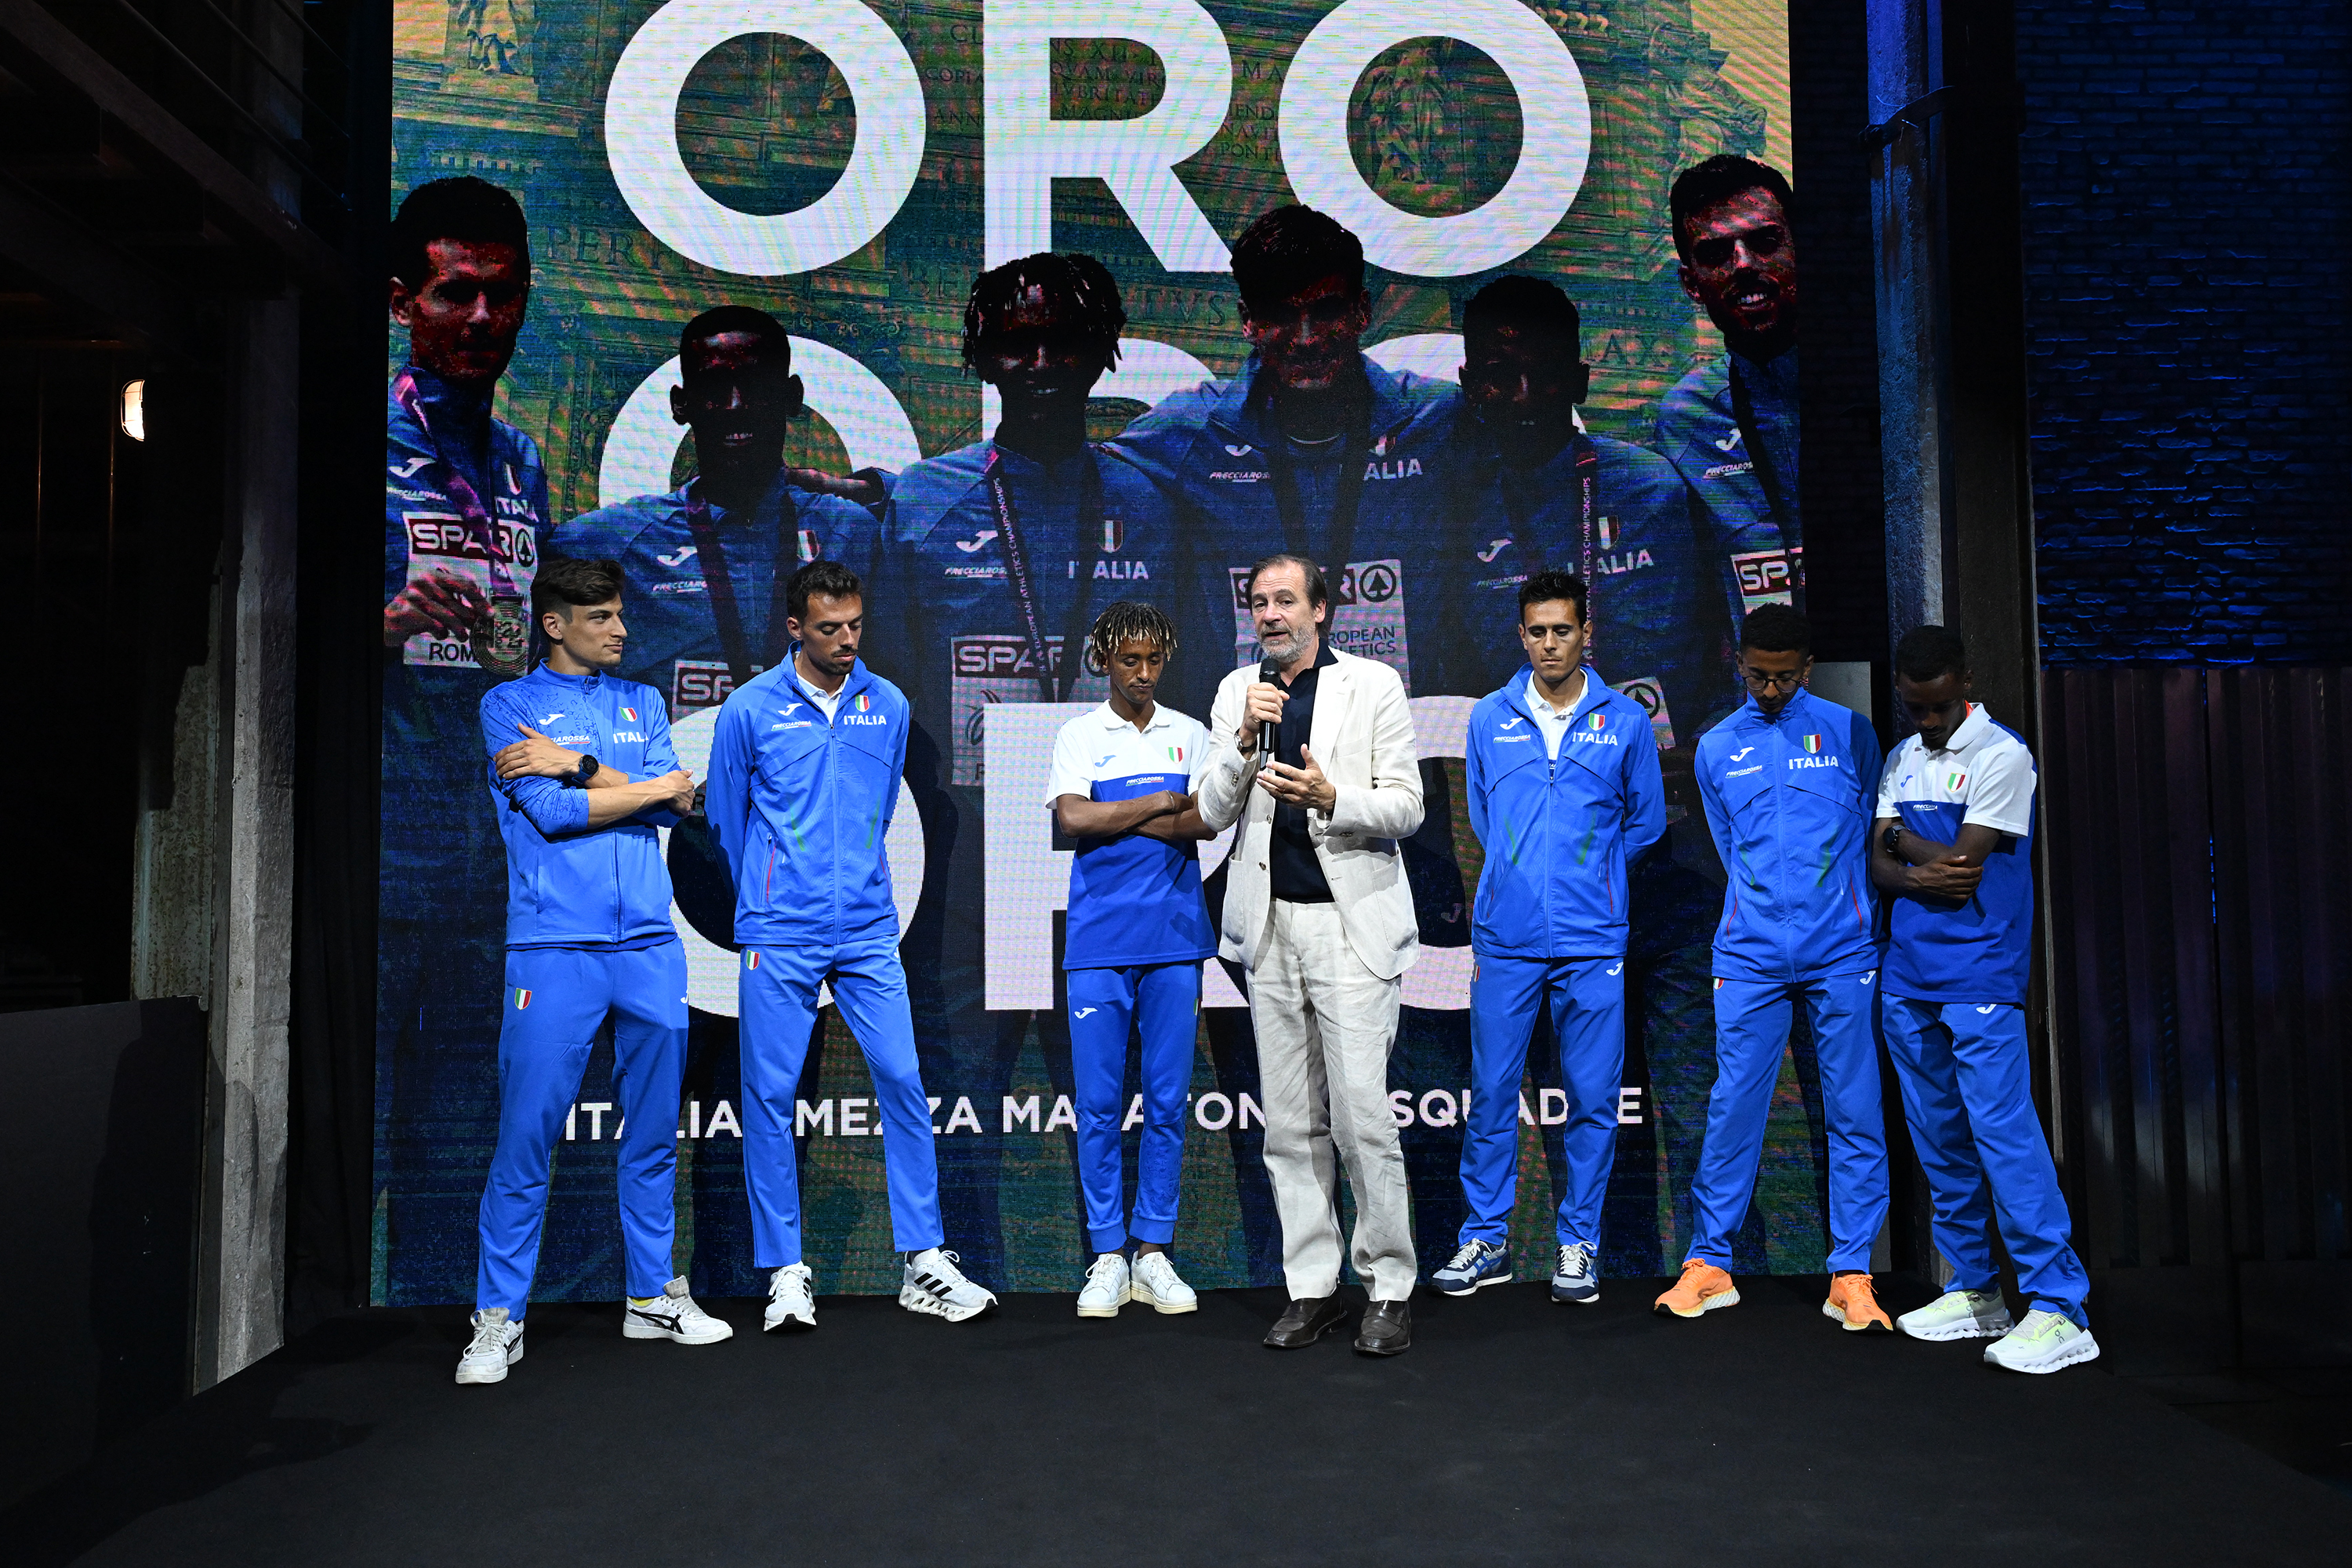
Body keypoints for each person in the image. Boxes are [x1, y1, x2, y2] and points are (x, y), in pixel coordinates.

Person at [1450, 274, 1737, 1272]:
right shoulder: (1452, 515)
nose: (1520, 391)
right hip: (1547, 899)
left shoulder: (1653, 490)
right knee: (1575, 1099)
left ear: (1578, 376)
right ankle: (1600, 1277)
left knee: (1695, 1095)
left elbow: (1713, 665)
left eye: (1540, 369)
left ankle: (1715, 1273)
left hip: (1671, 873)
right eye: (1497, 372)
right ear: (1469, 385)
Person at [705, 559, 998, 1327]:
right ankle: (786, 1271)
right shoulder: (748, 709)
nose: (846, 640)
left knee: (903, 1079)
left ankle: (924, 1261)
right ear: (794, 628)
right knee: (770, 1100)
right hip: (779, 931)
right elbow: (727, 824)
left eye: (855, 626)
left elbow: (881, 808)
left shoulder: (888, 703)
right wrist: (773, 892)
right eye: (829, 628)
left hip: (868, 930)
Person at [457, 557, 725, 1385]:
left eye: (619, 613)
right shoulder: (507, 705)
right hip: (553, 951)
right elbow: (554, 814)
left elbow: (681, 802)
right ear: (555, 624)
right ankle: (498, 1318)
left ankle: (651, 1296)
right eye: (602, 617)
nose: (620, 629)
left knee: (653, 1135)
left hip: (650, 947)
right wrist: (643, 788)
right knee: (525, 1139)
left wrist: (573, 763)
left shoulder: (643, 700)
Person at [1196, 554, 1424, 1356]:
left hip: (1349, 926)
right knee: (1290, 1124)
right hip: (1270, 928)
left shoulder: (1373, 684)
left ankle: (1388, 1286)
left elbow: (1408, 806)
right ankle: (1313, 1287)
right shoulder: (1239, 690)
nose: (1269, 614)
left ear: (1320, 610)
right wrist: (1243, 739)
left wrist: (1334, 798)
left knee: (1363, 1119)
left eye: (1285, 600)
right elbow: (1212, 809)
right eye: (1259, 602)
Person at [1107, 205, 1463, 710]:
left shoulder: (1436, 420)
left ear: (1361, 311)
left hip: (1397, 734)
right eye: (1279, 315)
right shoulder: (1190, 431)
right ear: (1248, 321)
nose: (1306, 338)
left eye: (1327, 312)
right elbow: (1072, 475)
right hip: (1254, 737)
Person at [1434, 570, 1666, 1306]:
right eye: (1536, 632)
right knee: (1492, 1093)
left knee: (1593, 1098)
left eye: (1562, 630)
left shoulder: (1624, 721)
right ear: (1521, 635)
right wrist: (1519, 877)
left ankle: (1579, 1244)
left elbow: (1646, 823)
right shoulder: (1489, 718)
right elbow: (1483, 815)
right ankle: (1486, 1239)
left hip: (1594, 941)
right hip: (1506, 939)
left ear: (1585, 633)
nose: (1549, 644)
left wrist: (1591, 878)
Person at [1656, 605, 1891, 1327]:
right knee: (1733, 1106)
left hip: (1842, 950)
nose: (1770, 689)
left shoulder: (1851, 732)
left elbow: (1870, 833)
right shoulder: (1716, 746)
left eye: (1785, 678)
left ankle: (1851, 1273)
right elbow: (1729, 850)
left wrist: (1840, 912)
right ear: (1739, 664)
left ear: (1807, 669)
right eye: (1758, 675)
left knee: (1853, 1108)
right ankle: (1710, 1264)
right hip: (1751, 954)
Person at [1870, 626, 2096, 1373]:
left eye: (1938, 706)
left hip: (1982, 975)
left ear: (1965, 681)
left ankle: (2060, 1305)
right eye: (1915, 707)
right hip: (1908, 974)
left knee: (2005, 1136)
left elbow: (1963, 869)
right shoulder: (1900, 757)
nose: (1927, 720)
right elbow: (1878, 866)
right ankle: (1976, 1290)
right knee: (1938, 1138)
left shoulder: (2003, 754)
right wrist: (1905, 856)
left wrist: (1903, 844)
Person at [550, 306, 879, 718]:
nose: (735, 405)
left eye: (757, 384)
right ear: (681, 404)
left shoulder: (851, 534)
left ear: (792, 397)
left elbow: (896, 683)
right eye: (713, 386)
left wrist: (870, 486)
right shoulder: (609, 542)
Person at [1044, 602, 1218, 1318]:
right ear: (1104, 661)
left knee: (1168, 1102)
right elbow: (1071, 818)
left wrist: (1119, 812)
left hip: (1176, 940)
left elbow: (1205, 818)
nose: (1143, 674)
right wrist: (1157, 802)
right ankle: (1108, 1256)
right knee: (1098, 1106)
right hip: (1098, 942)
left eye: (1153, 660)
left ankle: (1153, 1253)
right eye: (1128, 661)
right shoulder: (1080, 734)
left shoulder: (1190, 733)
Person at [1655, 156, 1804, 630]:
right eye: (1716, 253)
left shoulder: (1879, 381)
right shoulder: (1686, 417)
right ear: (1691, 284)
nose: (1743, 264)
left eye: (1764, 242)